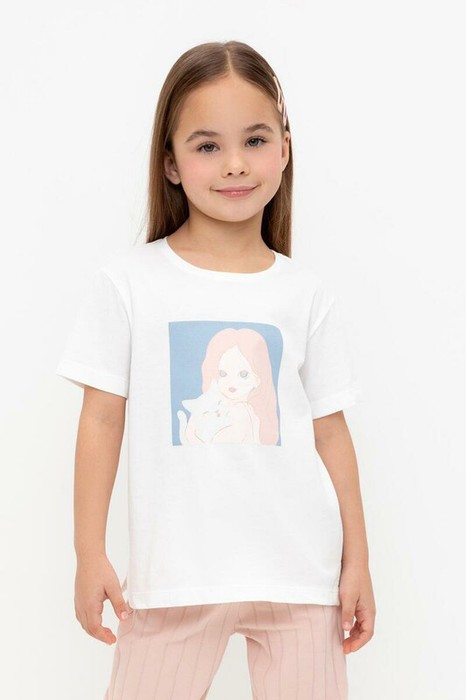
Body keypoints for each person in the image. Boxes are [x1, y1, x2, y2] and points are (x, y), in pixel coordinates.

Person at [56, 40, 376, 700]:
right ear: (170, 163)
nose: (235, 163)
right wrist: (90, 553)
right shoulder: (130, 285)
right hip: (173, 577)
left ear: (284, 150)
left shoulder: (305, 294)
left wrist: (358, 561)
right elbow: (101, 423)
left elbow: (331, 433)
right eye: (207, 146)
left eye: (255, 140)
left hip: (299, 575)